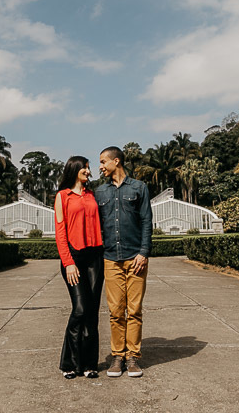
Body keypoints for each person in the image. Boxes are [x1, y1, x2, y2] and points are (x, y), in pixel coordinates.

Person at [95, 145, 151, 378]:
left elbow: (146, 221)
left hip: (135, 258)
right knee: (116, 311)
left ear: (116, 161)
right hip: (110, 258)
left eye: (103, 162)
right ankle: (118, 356)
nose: (100, 167)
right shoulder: (99, 192)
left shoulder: (139, 187)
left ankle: (133, 358)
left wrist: (144, 252)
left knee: (134, 310)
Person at [53, 155, 104, 379]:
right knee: (80, 309)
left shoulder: (92, 194)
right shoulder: (62, 196)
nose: (88, 171)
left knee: (92, 313)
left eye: (88, 168)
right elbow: (60, 232)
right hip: (74, 258)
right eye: (85, 167)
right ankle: (70, 363)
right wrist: (69, 263)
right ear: (74, 169)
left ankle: (90, 363)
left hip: (95, 257)